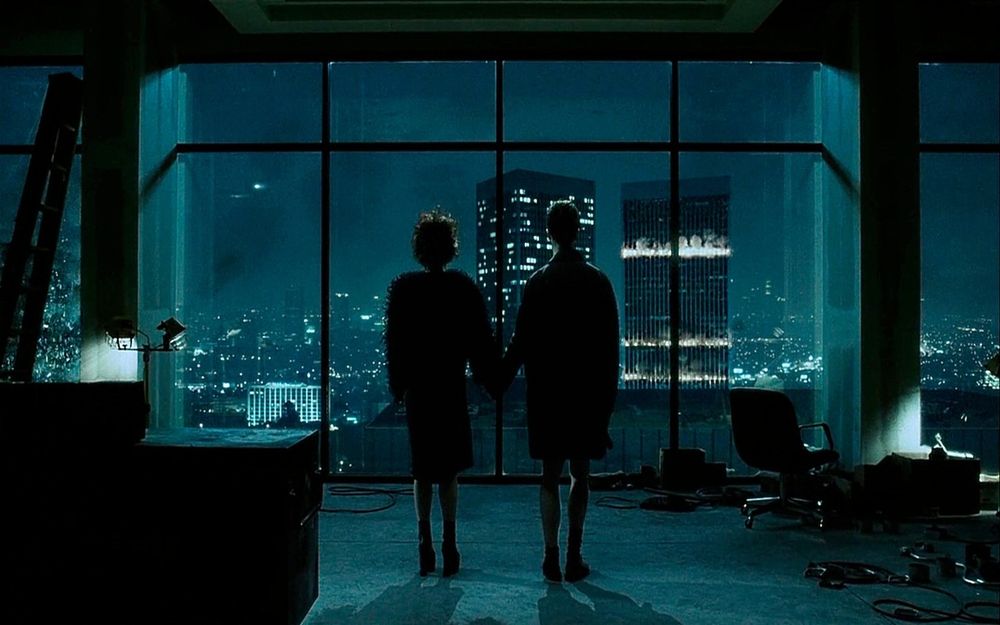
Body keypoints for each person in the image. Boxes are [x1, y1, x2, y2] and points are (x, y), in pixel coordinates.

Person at [501, 200, 619, 583]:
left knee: (548, 477)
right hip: (585, 396)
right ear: (578, 231)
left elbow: (520, 343)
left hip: (547, 395)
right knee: (580, 476)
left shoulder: (537, 283)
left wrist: (496, 380)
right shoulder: (599, 282)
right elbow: (609, 353)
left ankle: (550, 556)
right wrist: (606, 407)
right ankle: (573, 555)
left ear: (549, 232)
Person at [383, 210, 495, 577]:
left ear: (419, 248)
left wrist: (399, 387)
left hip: (420, 391)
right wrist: (490, 380)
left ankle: (424, 542)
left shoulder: (404, 291)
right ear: (451, 247)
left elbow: (395, 346)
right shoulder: (462, 289)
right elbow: (480, 344)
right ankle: (450, 541)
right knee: (448, 471)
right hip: (450, 389)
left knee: (422, 469)